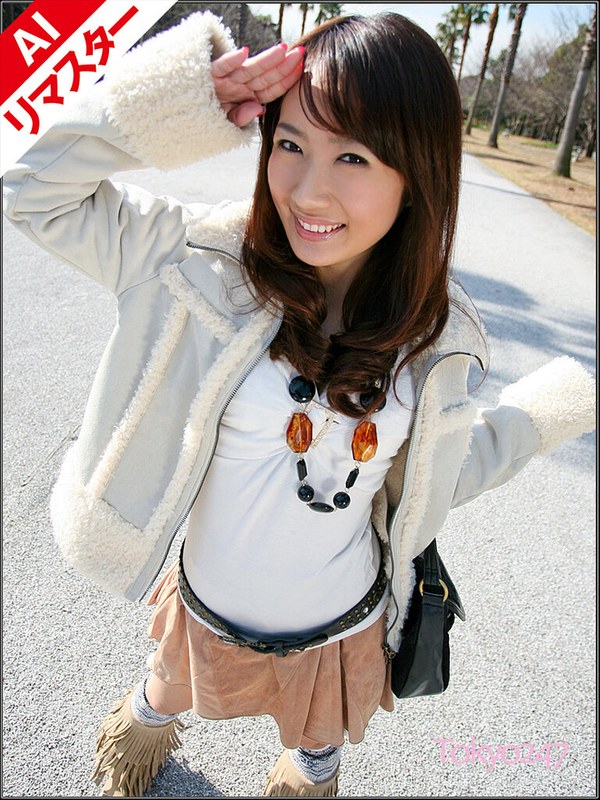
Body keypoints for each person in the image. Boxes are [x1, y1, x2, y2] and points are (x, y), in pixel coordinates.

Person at [3, 10, 595, 799]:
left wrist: (553, 411)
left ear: (417, 174)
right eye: (290, 144)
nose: (309, 190)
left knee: (318, 741)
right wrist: (175, 102)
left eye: (352, 156)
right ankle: (141, 733)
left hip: (340, 625)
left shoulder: (436, 342)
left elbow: (440, 472)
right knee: (164, 691)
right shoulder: (199, 263)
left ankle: (309, 774)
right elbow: (28, 187)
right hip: (208, 605)